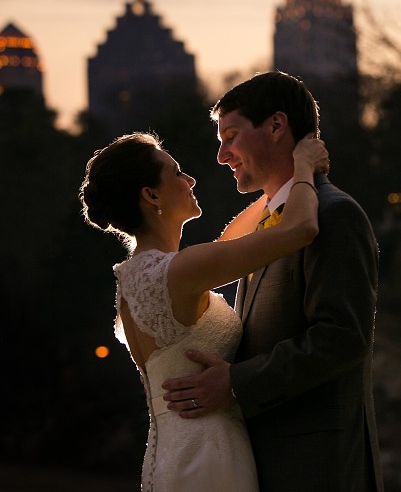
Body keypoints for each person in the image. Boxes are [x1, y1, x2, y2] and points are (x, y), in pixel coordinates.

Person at [161, 71, 384, 492]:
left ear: (277, 125)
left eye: (231, 135)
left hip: (318, 467)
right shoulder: (270, 223)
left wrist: (236, 382)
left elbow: (342, 337)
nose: (222, 155)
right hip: (262, 461)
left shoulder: (333, 215)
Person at [80, 130, 328, 491]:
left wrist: (280, 180)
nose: (191, 179)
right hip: (209, 451)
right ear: (151, 195)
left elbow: (231, 242)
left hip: (172, 450)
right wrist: (304, 168)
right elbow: (301, 228)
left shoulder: (138, 275)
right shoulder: (179, 271)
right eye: (177, 173)